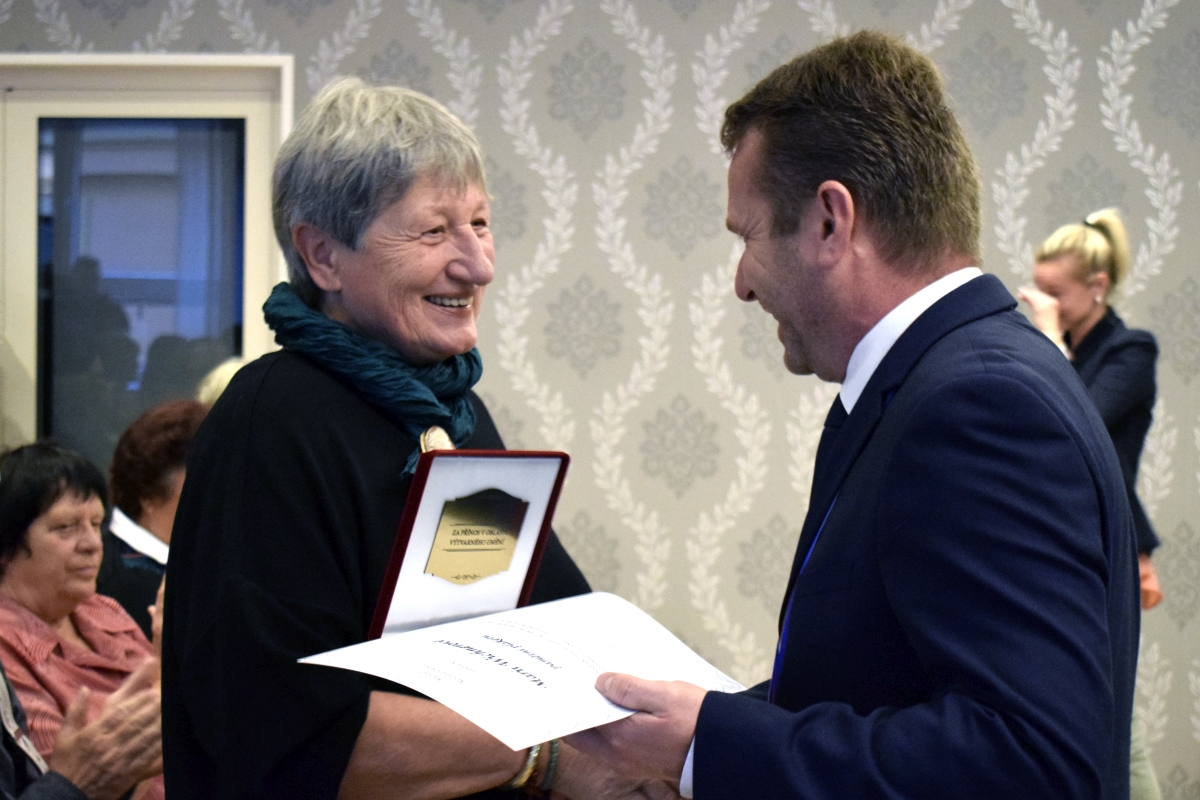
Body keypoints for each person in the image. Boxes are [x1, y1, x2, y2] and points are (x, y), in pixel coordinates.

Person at [569, 31, 1138, 800]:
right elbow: (880, 688)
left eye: (748, 236)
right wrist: (695, 728)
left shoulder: (977, 406)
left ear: (831, 222)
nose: (741, 283)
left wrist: (710, 745)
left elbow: (1032, 762)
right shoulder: (952, 377)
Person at [162, 78, 672, 800]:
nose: (478, 265)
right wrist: (547, 758)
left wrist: (677, 736)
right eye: (434, 232)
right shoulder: (271, 421)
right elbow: (285, 730)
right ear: (323, 255)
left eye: (480, 224)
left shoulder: (453, 414)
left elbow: (555, 633)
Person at [1018, 209, 1163, 800]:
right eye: (1039, 290)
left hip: (1102, 547)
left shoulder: (1130, 351)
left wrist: (1048, 338)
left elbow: (1074, 422)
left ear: (1097, 287)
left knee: (1113, 715)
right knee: (1094, 711)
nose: (1043, 303)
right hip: (1062, 543)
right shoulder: (1062, 350)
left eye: (1056, 293)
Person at [0, 443, 164, 800]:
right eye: (66, 527)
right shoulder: (6, 644)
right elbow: (61, 776)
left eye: (96, 524)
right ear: (6, 544)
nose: (92, 544)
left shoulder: (102, 608)